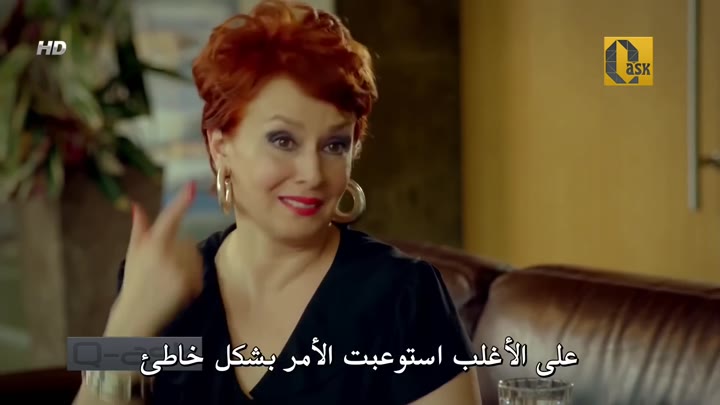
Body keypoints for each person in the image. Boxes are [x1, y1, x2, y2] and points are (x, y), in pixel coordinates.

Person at [73, 0, 482, 403]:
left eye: (335, 145)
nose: (313, 173)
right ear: (220, 148)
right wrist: (126, 329)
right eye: (283, 140)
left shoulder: (404, 296)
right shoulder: (162, 289)